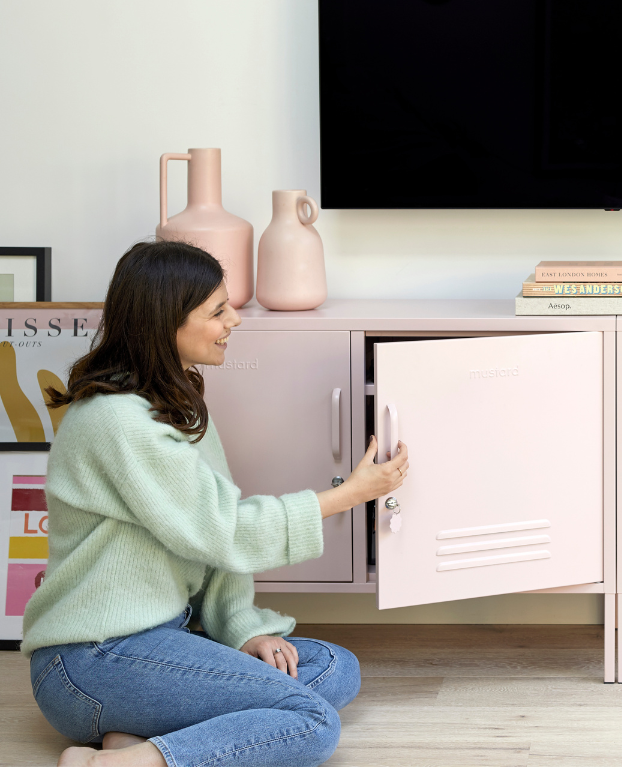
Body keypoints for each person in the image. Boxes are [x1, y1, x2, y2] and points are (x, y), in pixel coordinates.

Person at [21, 241, 409, 767]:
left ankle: (132, 733)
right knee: (312, 723)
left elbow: (213, 536)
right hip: (91, 659)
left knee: (333, 668)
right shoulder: (118, 422)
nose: (235, 321)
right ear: (166, 322)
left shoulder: (173, 403)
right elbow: (226, 530)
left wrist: (243, 629)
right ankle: (119, 764)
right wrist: (349, 495)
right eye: (217, 311)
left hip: (158, 642)